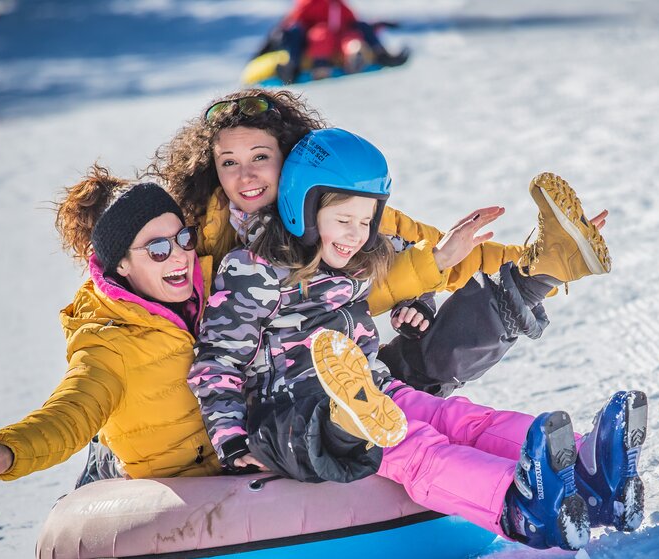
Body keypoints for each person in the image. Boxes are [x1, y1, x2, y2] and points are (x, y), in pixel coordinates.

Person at [189, 128, 648, 550]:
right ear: (303, 210)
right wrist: (230, 440)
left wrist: (423, 302)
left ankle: (591, 474)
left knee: (460, 420)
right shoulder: (250, 271)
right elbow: (218, 362)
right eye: (343, 220)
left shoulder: (360, 253)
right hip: (300, 417)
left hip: (372, 390)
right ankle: (518, 504)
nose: (356, 234)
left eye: (366, 221)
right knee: (413, 447)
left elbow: (420, 262)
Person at [151, 89, 612, 398]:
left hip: (335, 370)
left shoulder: (341, 207)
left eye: (260, 158)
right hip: (246, 397)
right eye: (229, 162)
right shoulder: (195, 233)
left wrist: (523, 260)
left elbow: (441, 251)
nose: (245, 176)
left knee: (421, 348)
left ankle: (545, 270)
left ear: (289, 158)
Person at [0, 169, 220, 493]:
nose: (178, 255)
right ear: (121, 265)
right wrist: (10, 452)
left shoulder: (219, 285)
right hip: (188, 496)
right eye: (157, 249)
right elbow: (72, 411)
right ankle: (102, 462)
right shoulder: (108, 342)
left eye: (184, 238)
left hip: (246, 467)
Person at [255, 0, 409, 83]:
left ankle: (368, 56)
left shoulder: (338, 4)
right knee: (321, 34)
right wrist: (267, 47)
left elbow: (354, 21)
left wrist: (376, 25)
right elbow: (292, 23)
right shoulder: (309, 3)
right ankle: (306, 66)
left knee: (352, 36)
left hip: (339, 39)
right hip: (314, 42)